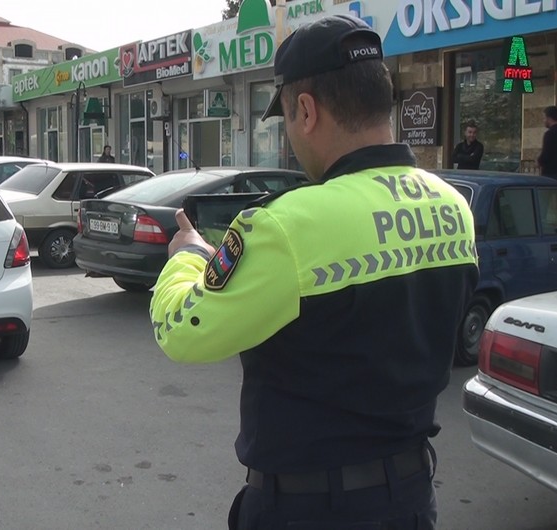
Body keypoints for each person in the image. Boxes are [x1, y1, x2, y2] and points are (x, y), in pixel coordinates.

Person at [149, 15, 478, 530]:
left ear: (306, 110)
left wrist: (186, 256)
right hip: (409, 499)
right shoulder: (454, 206)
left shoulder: (286, 225)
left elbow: (182, 333)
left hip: (310, 508)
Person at [538, 106, 557, 185]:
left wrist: (539, 161)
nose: (543, 121)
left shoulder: (549, 134)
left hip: (551, 174)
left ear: (549, 118)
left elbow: (545, 155)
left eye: (544, 118)